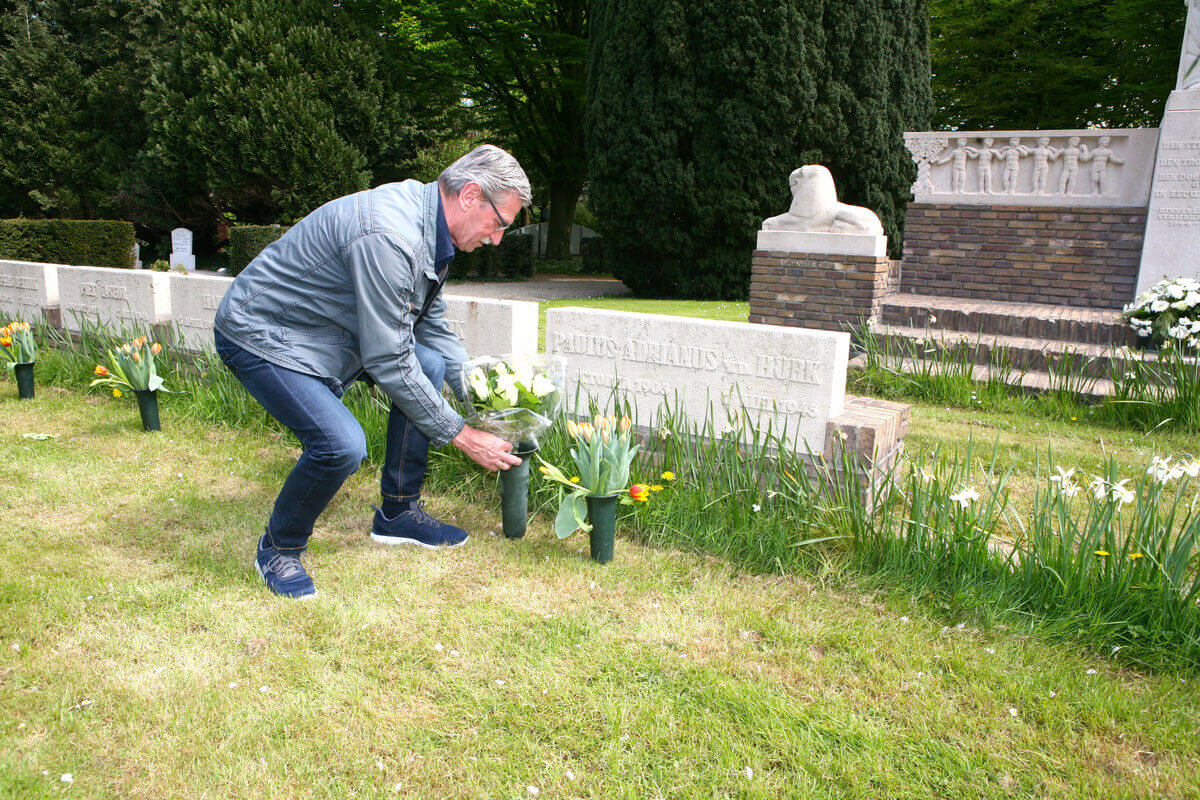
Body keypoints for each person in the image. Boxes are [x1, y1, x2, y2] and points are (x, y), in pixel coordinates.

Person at [213, 145, 528, 599]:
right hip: (264, 332)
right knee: (340, 444)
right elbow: (387, 359)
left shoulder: (431, 229)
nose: (497, 239)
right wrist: (461, 433)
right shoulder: (392, 234)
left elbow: (431, 330)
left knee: (431, 363)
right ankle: (279, 547)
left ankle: (397, 514)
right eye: (499, 223)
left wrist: (483, 399)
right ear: (470, 195)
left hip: (327, 333)